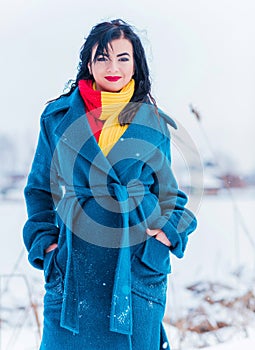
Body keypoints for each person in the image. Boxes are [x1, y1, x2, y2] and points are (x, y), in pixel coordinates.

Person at [23, 19, 197, 350]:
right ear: (88, 63)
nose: (112, 67)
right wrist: (48, 248)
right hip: (73, 268)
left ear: (136, 64)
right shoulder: (57, 119)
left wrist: (162, 242)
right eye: (102, 57)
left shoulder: (154, 123)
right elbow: (39, 191)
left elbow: (171, 198)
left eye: (122, 58)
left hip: (134, 268)